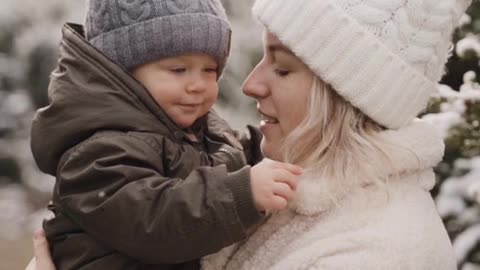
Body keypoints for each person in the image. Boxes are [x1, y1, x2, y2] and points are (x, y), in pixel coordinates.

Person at [29, 0, 471, 269]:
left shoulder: (372, 256)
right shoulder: (110, 144)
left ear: (346, 96)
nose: (248, 84)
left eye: (282, 67)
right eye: (178, 69)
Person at [27, 0, 302, 269]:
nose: (198, 85)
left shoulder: (190, 126)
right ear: (123, 71)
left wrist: (288, 141)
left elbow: (233, 153)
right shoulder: (97, 148)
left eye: (210, 70)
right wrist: (242, 193)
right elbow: (153, 220)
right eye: (178, 70)